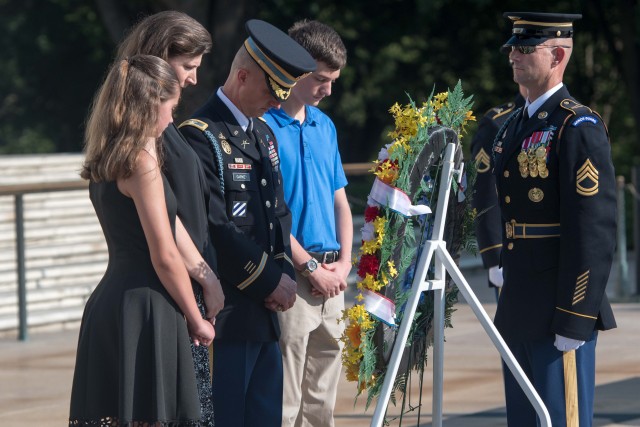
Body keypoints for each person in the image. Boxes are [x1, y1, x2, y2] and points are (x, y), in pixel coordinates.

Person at [179, 19, 316, 427]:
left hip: (265, 312)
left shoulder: (262, 134)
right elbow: (216, 226)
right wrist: (269, 281)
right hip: (231, 313)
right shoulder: (200, 136)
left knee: (264, 417)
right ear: (242, 76)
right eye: (271, 92)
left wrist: (284, 278)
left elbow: (278, 215)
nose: (277, 104)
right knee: (230, 417)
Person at [69, 54, 215, 426]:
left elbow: (167, 224)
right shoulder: (140, 162)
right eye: (170, 107)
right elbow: (164, 254)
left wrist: (207, 278)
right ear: (151, 104)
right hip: (148, 308)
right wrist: (196, 318)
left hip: (112, 303)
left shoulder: (109, 155)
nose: (171, 119)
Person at [492, 12, 617, 426]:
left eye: (525, 49)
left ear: (558, 54)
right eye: (513, 47)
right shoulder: (514, 124)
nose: (513, 55)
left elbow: (592, 230)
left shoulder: (576, 125)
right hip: (520, 303)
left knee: (561, 419)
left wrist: (576, 316)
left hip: (558, 307)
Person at [116, 12, 222, 426]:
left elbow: (174, 216)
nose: (194, 79)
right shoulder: (145, 142)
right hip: (165, 294)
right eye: (187, 67)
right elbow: (165, 239)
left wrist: (206, 277)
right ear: (160, 60)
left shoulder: (158, 130)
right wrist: (201, 284)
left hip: (181, 288)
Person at [262, 19, 351, 427]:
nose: (328, 89)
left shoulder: (324, 125)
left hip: (333, 277)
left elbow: (341, 204)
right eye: (320, 78)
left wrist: (345, 263)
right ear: (294, 69)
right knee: (284, 399)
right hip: (291, 276)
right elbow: (268, 212)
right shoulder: (263, 126)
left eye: (333, 80)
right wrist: (309, 267)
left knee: (322, 405)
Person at [471, 84, 525, 300]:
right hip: (516, 254)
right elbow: (485, 192)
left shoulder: (573, 117)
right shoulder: (499, 122)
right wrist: (494, 255)